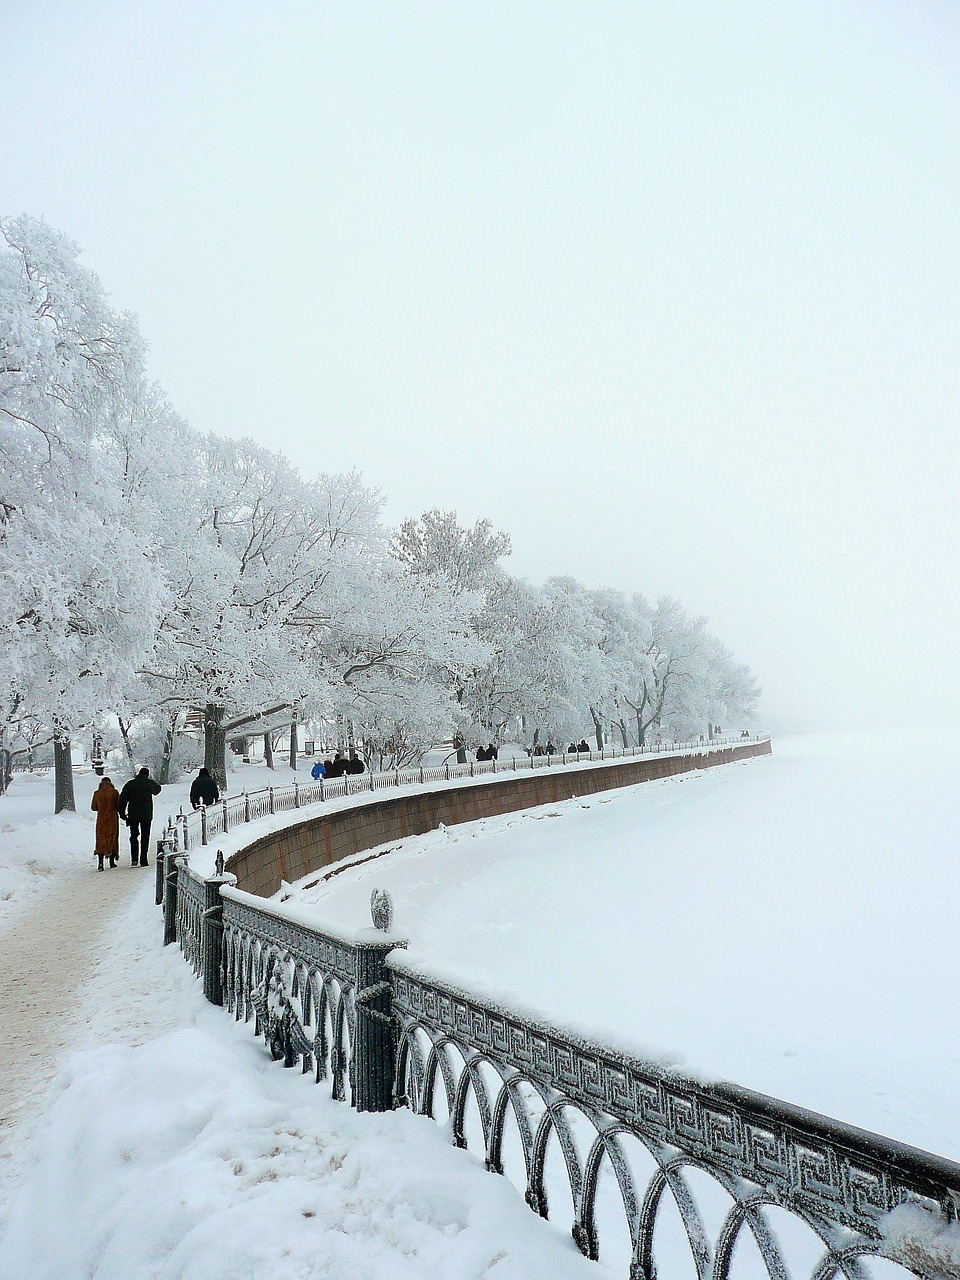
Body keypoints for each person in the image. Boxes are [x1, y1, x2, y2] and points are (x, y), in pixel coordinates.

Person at [118, 766, 162, 867]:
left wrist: (122, 814)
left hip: (133, 815)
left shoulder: (130, 784)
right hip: (146, 815)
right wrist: (150, 781)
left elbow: (122, 799)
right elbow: (158, 789)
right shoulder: (149, 783)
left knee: (134, 836)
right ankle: (143, 859)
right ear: (147, 774)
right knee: (145, 837)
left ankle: (134, 859)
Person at [90, 776, 120, 871]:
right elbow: (118, 805)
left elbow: (94, 807)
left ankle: (100, 863)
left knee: (101, 839)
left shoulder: (97, 793)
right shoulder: (114, 792)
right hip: (112, 818)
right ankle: (111, 862)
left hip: (101, 819)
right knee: (112, 837)